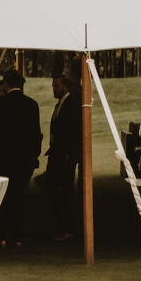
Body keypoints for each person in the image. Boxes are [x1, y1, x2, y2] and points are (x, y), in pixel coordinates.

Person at [0, 71, 42, 247]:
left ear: (6, 84)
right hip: (24, 160)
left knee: (1, 199)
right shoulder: (32, 105)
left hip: (1, 159)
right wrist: (33, 153)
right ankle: (17, 237)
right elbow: (36, 133)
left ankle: (1, 237)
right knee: (19, 198)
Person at [43, 73, 81, 243]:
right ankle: (63, 225)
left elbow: (77, 132)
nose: (54, 89)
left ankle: (68, 228)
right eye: (53, 86)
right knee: (50, 187)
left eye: (57, 86)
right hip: (56, 155)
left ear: (65, 87)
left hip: (64, 157)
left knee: (66, 192)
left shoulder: (71, 105)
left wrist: (68, 155)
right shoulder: (60, 105)